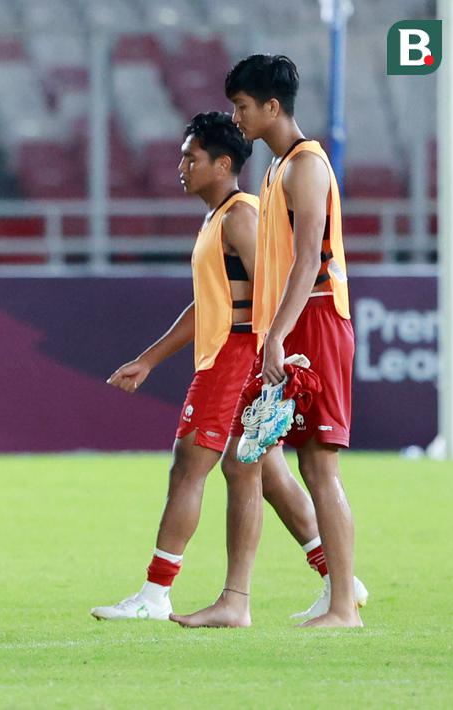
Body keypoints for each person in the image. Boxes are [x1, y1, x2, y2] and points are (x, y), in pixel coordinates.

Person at [92, 112, 366, 621]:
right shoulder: (222, 215)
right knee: (263, 471)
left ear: (222, 163)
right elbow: (210, 302)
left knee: (192, 467)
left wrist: (276, 346)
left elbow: (276, 286)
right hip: (233, 352)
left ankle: (157, 594)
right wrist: (149, 360)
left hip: (239, 356)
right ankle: (337, 577)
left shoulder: (242, 215)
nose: (181, 166)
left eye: (190, 157)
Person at [173, 55, 362, 628]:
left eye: (244, 106)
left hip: (317, 320)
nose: (238, 116)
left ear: (272, 107)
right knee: (246, 458)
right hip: (290, 320)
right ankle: (239, 600)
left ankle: (343, 605)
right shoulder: (279, 168)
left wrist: (276, 334)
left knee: (317, 466)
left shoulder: (305, 166)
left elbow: (310, 260)